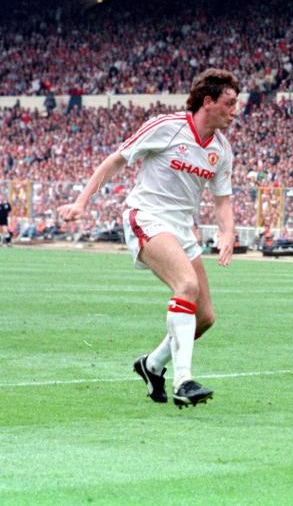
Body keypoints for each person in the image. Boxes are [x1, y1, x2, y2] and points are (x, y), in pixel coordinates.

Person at [58, 68, 239, 408]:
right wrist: (82, 201)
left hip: (182, 229)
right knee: (186, 285)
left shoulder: (222, 150)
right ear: (208, 101)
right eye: (229, 104)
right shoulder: (167, 126)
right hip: (147, 216)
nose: (235, 111)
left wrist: (227, 233)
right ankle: (183, 380)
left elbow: (223, 199)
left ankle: (152, 365)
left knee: (205, 317)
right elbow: (117, 160)